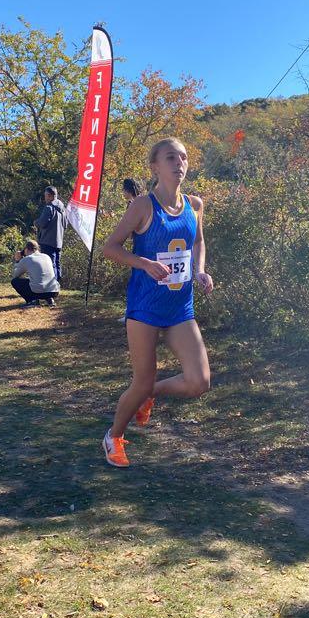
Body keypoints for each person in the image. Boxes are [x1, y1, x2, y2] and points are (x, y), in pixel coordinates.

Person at [99, 138, 214, 467]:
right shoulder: (142, 206)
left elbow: (198, 242)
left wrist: (199, 270)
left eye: (183, 157)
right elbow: (110, 248)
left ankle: (152, 394)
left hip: (180, 307)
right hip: (145, 307)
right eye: (170, 157)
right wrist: (144, 263)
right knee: (141, 380)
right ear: (155, 166)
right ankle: (114, 437)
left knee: (199, 382)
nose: (179, 163)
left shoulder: (194, 205)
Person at [118, 179, 144, 323]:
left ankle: (132, 313)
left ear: (128, 190)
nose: (122, 193)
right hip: (139, 245)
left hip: (141, 248)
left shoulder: (135, 204)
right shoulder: (141, 202)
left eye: (123, 190)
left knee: (136, 281)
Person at [11, 239, 60, 307]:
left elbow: (15, 275)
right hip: (54, 291)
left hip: (39, 292)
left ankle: (32, 301)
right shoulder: (46, 256)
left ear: (26, 249)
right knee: (40, 279)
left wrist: (17, 261)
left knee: (15, 281)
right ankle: (50, 299)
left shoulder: (27, 259)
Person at [35, 186, 68, 282]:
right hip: (59, 243)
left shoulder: (49, 208)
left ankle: (51, 286)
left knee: (49, 265)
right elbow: (65, 225)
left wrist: (36, 222)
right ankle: (57, 284)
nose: (45, 198)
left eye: (45, 196)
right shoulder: (63, 210)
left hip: (47, 242)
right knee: (57, 265)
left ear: (50, 196)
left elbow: (42, 223)